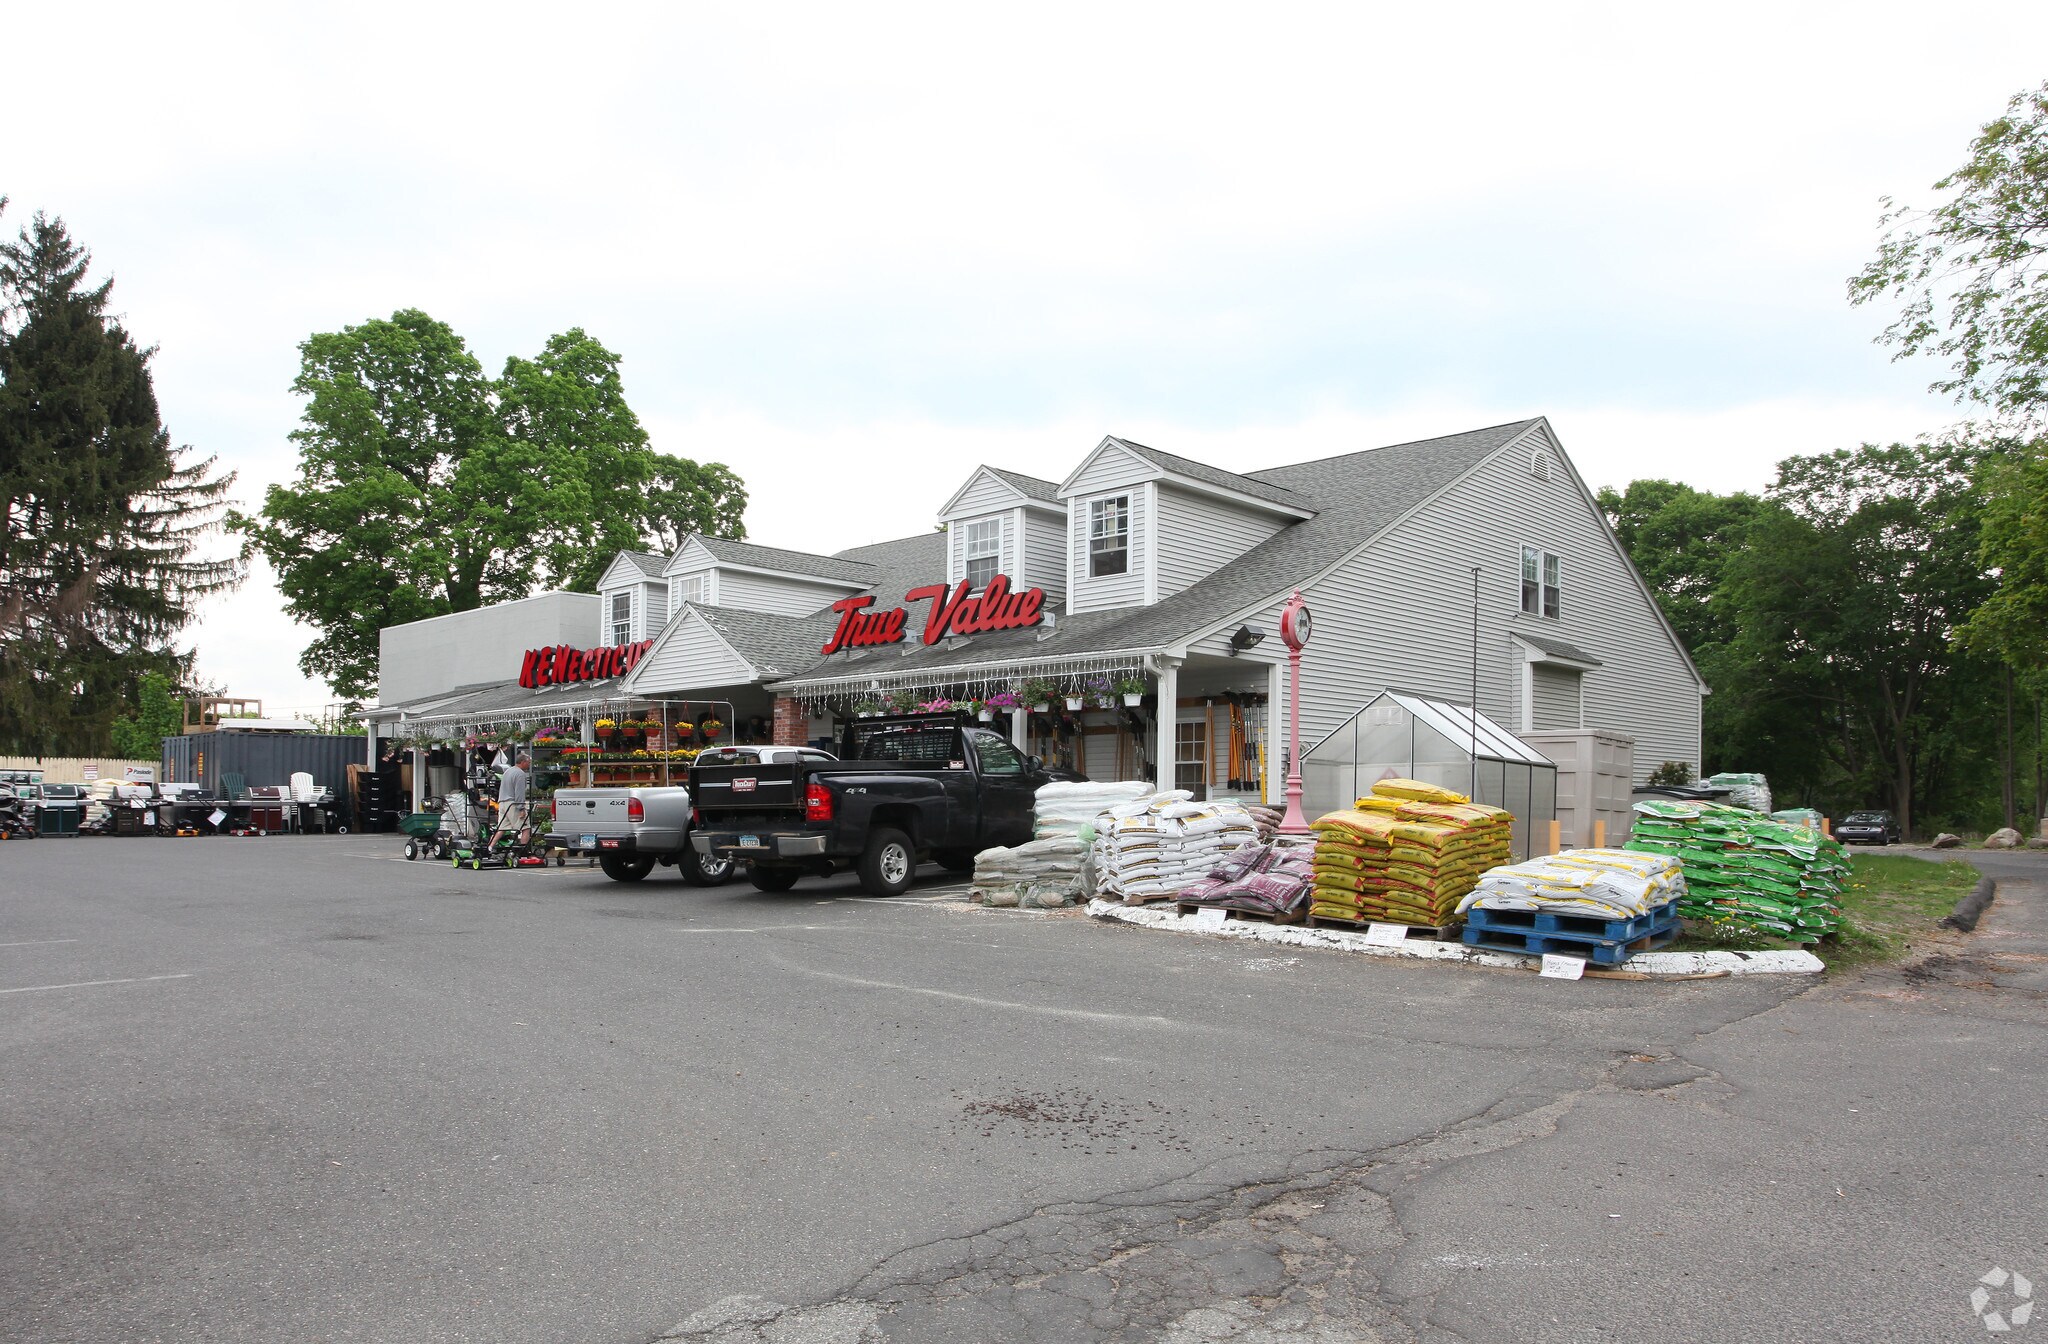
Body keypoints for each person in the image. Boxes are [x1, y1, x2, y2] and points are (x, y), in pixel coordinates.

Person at [495, 753, 531, 839]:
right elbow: (519, 792)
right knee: (525, 828)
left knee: (502, 829)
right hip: (512, 803)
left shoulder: (507, 771)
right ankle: (523, 847)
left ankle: (490, 845)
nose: (529, 765)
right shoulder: (520, 774)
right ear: (523, 762)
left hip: (502, 802)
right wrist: (521, 808)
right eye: (528, 762)